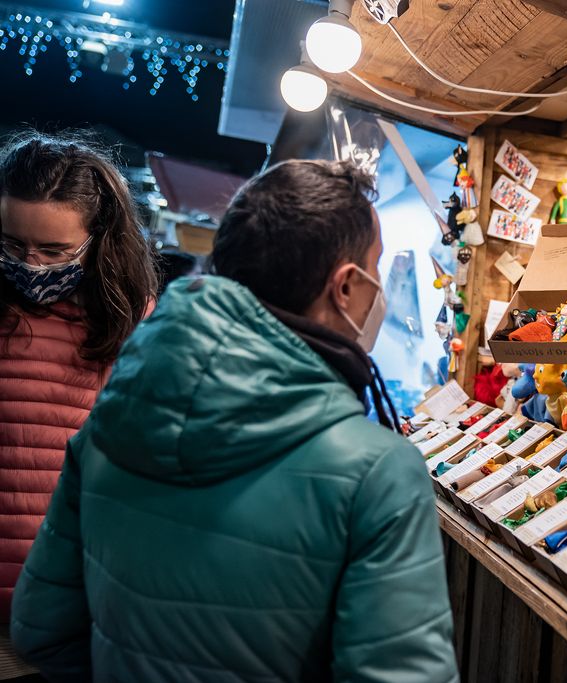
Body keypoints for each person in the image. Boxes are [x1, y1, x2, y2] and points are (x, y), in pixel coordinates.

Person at [11, 160, 459, 682]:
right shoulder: (379, 472)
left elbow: (41, 628)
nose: (380, 285)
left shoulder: (111, 421)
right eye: (377, 266)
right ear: (346, 286)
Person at [0, 134, 156, 678]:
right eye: (13, 245)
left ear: (97, 239)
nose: (31, 265)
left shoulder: (130, 321)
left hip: (74, 607)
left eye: (55, 252)